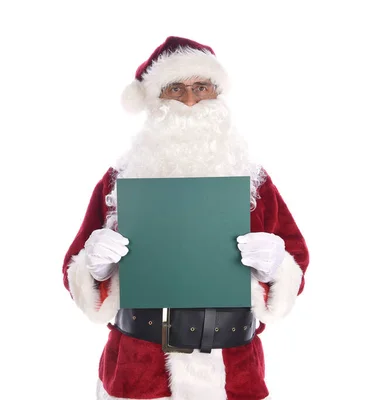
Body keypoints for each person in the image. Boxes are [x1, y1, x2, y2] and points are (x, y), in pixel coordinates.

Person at [62, 36, 310, 400]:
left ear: (217, 94)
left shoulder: (254, 181)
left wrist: (278, 268)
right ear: (155, 99)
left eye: (201, 87)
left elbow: (297, 259)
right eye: (175, 88)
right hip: (140, 372)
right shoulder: (120, 181)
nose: (191, 101)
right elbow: (74, 267)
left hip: (232, 372)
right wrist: (94, 270)